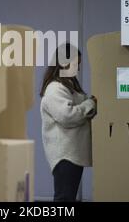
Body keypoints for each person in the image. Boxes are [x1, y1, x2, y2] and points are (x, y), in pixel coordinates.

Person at [40, 43, 97, 202]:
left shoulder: (69, 85)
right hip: (65, 156)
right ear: (64, 63)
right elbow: (67, 116)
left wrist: (88, 104)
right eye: (75, 64)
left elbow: (80, 107)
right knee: (64, 200)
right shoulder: (55, 89)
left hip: (72, 154)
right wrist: (90, 104)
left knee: (67, 199)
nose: (77, 69)